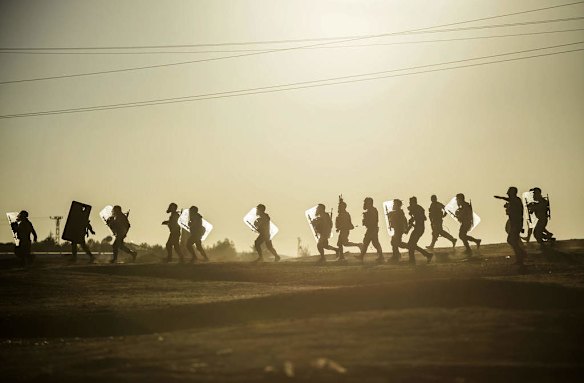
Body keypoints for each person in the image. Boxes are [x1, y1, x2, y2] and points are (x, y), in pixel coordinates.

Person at [494, 187, 527, 265]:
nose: (508, 194)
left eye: (509, 193)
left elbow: (515, 210)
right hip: (515, 224)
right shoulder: (515, 201)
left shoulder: (516, 200)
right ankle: (520, 257)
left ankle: (521, 255)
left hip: (516, 224)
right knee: (512, 240)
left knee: (511, 240)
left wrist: (501, 198)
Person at [407, 197, 433, 264]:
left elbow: (422, 219)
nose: (409, 203)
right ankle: (426, 255)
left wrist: (412, 221)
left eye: (410, 202)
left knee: (411, 244)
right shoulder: (418, 208)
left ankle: (413, 260)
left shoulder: (417, 209)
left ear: (413, 202)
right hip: (419, 228)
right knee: (411, 244)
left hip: (419, 229)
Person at [357, 197, 383, 263]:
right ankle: (361, 256)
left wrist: (366, 219)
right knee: (367, 242)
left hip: (372, 229)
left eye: (366, 202)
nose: (365, 203)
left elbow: (374, 220)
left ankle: (381, 256)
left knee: (374, 243)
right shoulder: (371, 210)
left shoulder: (373, 210)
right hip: (371, 229)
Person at [335, 196, 361, 262]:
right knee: (340, 244)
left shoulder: (345, 214)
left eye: (340, 207)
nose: (339, 208)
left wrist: (339, 227)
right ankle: (341, 256)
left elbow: (345, 223)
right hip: (343, 230)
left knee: (344, 243)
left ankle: (358, 245)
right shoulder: (342, 214)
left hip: (345, 230)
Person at [387, 199, 409, 263]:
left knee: (397, 243)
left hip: (399, 230)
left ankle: (411, 247)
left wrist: (405, 228)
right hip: (397, 229)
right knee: (394, 242)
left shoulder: (399, 212)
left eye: (394, 204)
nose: (393, 205)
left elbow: (403, 220)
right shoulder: (397, 212)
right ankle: (396, 255)